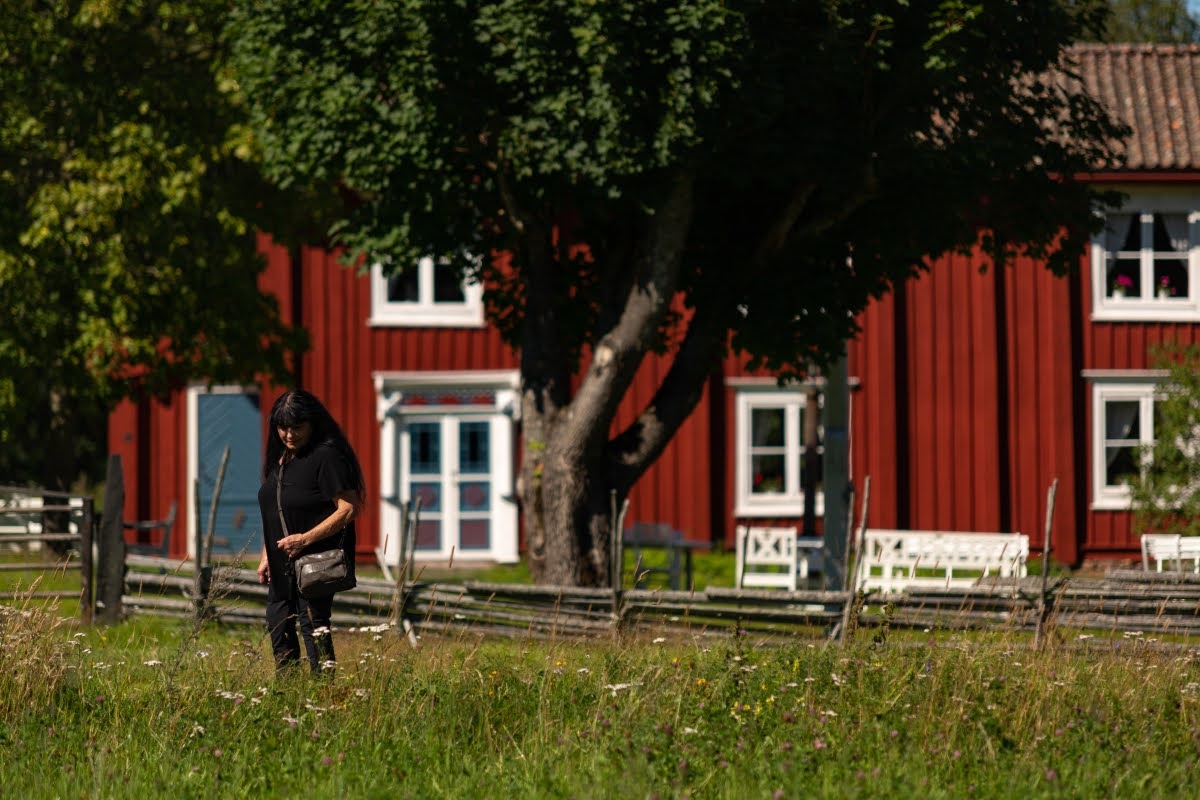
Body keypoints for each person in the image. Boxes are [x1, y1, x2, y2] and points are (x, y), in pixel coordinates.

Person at [256, 389, 365, 673]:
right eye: (283, 427)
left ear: (312, 424)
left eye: (297, 427)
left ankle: (324, 690)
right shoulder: (281, 459)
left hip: (314, 562)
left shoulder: (326, 456)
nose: (289, 435)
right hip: (282, 564)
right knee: (278, 625)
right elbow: (276, 511)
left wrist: (305, 540)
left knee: (313, 626)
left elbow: (348, 508)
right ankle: (288, 692)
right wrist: (266, 554)